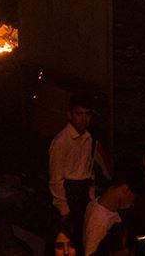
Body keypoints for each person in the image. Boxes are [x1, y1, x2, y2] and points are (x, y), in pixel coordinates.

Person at [49, 94, 96, 249]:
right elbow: (56, 179)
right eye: (78, 113)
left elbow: (88, 167)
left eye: (87, 114)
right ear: (69, 115)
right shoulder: (61, 141)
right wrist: (63, 209)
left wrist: (90, 195)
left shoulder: (88, 138)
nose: (83, 119)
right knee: (67, 239)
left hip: (83, 192)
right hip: (69, 192)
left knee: (83, 237)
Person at [83, 172, 136, 255]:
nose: (132, 203)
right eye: (134, 197)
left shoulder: (96, 204)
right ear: (125, 189)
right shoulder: (99, 221)